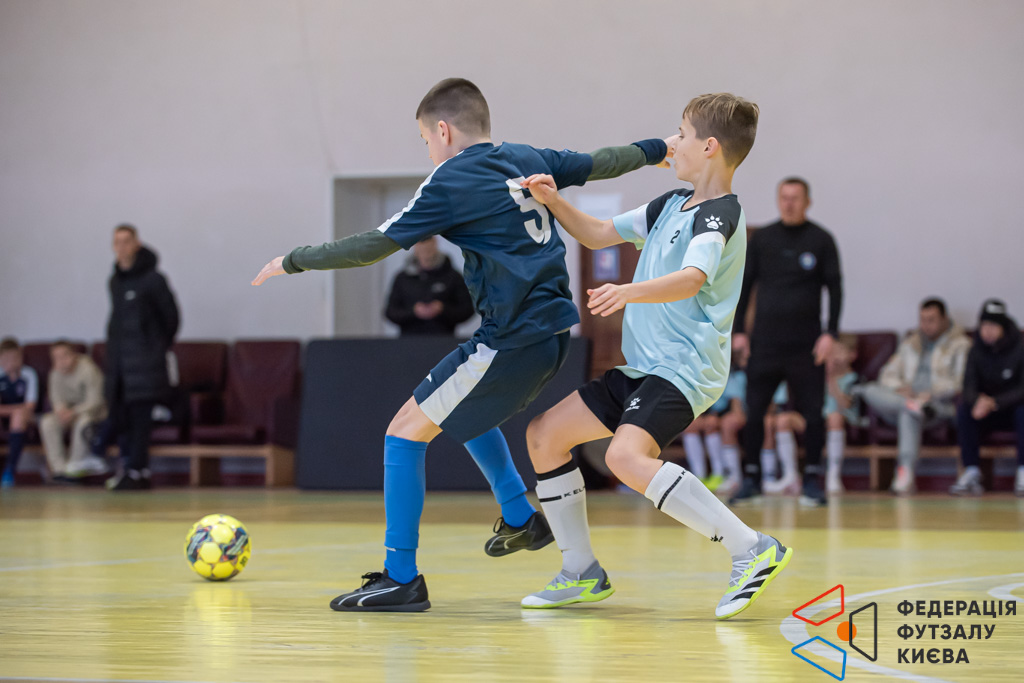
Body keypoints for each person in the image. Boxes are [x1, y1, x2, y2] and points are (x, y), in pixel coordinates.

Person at [252, 78, 673, 612]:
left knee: (402, 433)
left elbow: (372, 246)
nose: (428, 150)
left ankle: (401, 578)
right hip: (551, 334)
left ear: (443, 130)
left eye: (425, 140)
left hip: (511, 337)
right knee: (468, 413)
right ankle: (520, 518)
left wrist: (294, 260)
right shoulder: (526, 156)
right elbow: (603, 160)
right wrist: (659, 149)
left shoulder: (449, 179)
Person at [516, 93, 793, 620]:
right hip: (642, 368)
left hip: (684, 368)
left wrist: (627, 291)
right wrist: (552, 200)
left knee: (624, 458)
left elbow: (692, 279)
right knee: (544, 436)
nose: (673, 142)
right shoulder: (669, 204)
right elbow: (598, 233)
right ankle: (581, 572)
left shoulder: (719, 215)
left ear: (709, 147)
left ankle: (752, 548)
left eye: (682, 134)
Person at [730, 177, 843, 507]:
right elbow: (744, 285)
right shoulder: (763, 238)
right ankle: (751, 478)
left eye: (795, 198)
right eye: (784, 198)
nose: (789, 203)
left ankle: (812, 480)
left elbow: (836, 289)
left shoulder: (821, 239)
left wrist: (831, 334)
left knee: (813, 414)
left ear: (807, 202)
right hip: (765, 343)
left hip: (806, 346)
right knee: (754, 412)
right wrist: (739, 331)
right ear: (778, 200)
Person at [856, 298, 970, 494]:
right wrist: (901, 388)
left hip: (936, 407)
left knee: (909, 413)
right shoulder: (910, 343)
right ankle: (909, 405)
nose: (926, 325)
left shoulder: (961, 345)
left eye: (931, 320)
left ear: (944, 319)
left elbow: (960, 382)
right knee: (870, 390)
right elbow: (887, 375)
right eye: (922, 319)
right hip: (908, 402)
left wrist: (930, 393)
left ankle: (905, 471)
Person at [103, 224, 180, 491]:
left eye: (127, 241)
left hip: (146, 366)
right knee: (121, 418)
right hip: (121, 367)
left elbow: (171, 318)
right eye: (117, 242)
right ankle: (128, 469)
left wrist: (154, 347)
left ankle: (138, 470)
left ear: (137, 243)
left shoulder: (154, 279)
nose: (122, 247)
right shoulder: (115, 281)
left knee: (141, 420)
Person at [767, 335, 860, 496]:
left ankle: (833, 476)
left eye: (839, 352)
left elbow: (845, 405)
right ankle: (791, 476)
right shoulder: (816, 377)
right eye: (832, 352)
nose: (834, 356)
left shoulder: (853, 379)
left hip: (841, 419)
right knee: (783, 420)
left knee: (834, 418)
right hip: (817, 418)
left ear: (851, 355)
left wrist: (831, 379)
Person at [950, 300, 1024, 496]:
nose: (988, 331)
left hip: (1011, 409)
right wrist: (977, 401)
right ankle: (971, 471)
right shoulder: (976, 350)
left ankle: (1023, 472)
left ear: (1003, 327)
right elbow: (968, 386)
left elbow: (1022, 389)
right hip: (984, 411)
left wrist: (995, 402)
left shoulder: (1020, 348)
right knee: (964, 410)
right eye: (984, 325)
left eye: (993, 325)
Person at [39, 341, 108, 480]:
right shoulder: (54, 373)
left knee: (84, 422)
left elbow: (95, 401)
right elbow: (56, 400)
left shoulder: (88, 370)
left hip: (92, 413)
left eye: (65, 356)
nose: (61, 361)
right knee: (47, 422)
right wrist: (61, 411)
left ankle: (75, 467)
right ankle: (59, 470)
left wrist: (74, 412)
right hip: (68, 414)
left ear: (74, 355)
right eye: (56, 358)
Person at [385, 236, 474, 336]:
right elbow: (390, 312)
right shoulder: (403, 278)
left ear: (435, 246)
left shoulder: (452, 276)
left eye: (428, 250)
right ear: (415, 249)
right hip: (409, 340)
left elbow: (467, 309)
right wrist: (413, 311)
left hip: (443, 338)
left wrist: (443, 309)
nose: (426, 255)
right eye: (422, 250)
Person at [0, 338, 39, 488]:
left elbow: (30, 406)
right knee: (17, 413)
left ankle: (10, 469)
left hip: (25, 417)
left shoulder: (28, 374)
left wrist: (15, 411)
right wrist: (14, 410)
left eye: (15, 357)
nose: (12, 361)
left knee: (18, 416)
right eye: (7, 358)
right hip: (5, 417)